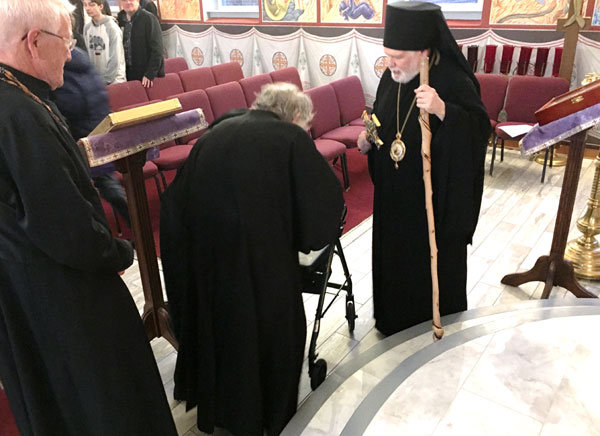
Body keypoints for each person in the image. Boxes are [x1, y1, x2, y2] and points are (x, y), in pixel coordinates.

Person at [0, 1, 177, 434]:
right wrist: (120, 250)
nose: (72, 52)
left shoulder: (18, 97)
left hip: (26, 285)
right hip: (63, 295)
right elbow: (67, 230)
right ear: (34, 42)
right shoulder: (21, 114)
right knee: (105, 401)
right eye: (67, 41)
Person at [160, 83, 345, 436]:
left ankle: (225, 412)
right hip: (264, 267)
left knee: (224, 334)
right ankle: (269, 418)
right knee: (271, 337)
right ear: (293, 117)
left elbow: (173, 205)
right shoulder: (289, 139)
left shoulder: (216, 131)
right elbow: (324, 207)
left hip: (210, 266)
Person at [357, 1, 491, 336]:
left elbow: (479, 130)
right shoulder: (393, 78)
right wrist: (369, 137)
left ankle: (436, 319)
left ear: (423, 51)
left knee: (431, 266)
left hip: (434, 202)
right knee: (395, 262)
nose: (390, 64)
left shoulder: (454, 80)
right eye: (387, 54)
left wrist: (444, 110)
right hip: (394, 197)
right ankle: (392, 320)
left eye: (398, 56)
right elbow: (382, 119)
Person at [52, 47, 130, 226]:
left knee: (93, 188)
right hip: (101, 130)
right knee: (105, 183)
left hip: (84, 137)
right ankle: (135, 221)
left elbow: (72, 106)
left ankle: (111, 232)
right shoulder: (84, 65)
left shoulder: (66, 76)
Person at [118, 0, 164, 87]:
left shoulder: (149, 18)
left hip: (146, 76)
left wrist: (150, 74)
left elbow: (157, 49)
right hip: (126, 73)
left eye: (131, 0)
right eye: (124, 0)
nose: (128, 2)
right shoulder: (119, 19)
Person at [83, 0, 126, 84]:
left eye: (92, 5)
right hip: (97, 81)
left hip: (115, 81)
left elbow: (115, 58)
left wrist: (106, 80)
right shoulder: (87, 28)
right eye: (85, 5)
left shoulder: (112, 27)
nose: (87, 8)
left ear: (100, 6)